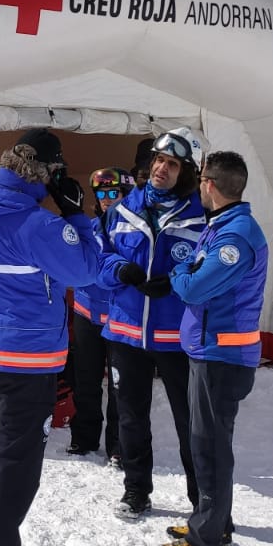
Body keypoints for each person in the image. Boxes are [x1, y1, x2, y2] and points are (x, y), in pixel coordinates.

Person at [0, 128, 105, 546]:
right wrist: (78, 218)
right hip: (29, 360)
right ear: (49, 174)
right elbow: (88, 271)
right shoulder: (38, 226)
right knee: (18, 455)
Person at [159, 150, 268, 546]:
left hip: (223, 355)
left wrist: (178, 272)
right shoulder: (222, 226)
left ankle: (207, 539)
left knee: (210, 448)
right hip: (211, 350)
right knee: (208, 443)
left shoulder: (234, 237)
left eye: (201, 179)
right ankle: (212, 521)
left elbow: (192, 288)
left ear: (211, 184)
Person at [95, 129, 206, 518]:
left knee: (189, 421)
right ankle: (136, 489)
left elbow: (209, 273)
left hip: (177, 338)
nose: (161, 169)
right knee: (130, 416)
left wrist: (177, 284)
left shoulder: (201, 217)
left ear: (188, 171)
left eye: (172, 163)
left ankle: (201, 501)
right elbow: (99, 258)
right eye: (158, 160)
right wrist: (120, 270)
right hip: (126, 333)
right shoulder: (122, 210)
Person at [62, 167, 131, 459]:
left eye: (112, 192)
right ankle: (84, 438)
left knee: (120, 386)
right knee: (85, 380)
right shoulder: (87, 228)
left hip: (119, 317)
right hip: (87, 314)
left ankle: (118, 446)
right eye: (100, 193)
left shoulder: (133, 233)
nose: (105, 198)